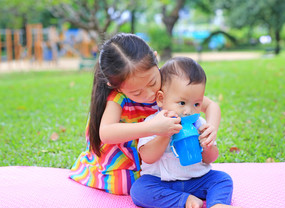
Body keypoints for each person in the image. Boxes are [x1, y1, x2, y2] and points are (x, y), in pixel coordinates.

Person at [69, 33, 221, 195]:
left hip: (156, 152)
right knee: (127, 185)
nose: (149, 94)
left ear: (155, 59)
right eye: (137, 92)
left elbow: (211, 105)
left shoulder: (169, 82)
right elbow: (106, 133)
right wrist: (152, 128)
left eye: (152, 83)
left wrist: (211, 126)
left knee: (176, 176)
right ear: (116, 87)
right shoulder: (118, 99)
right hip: (125, 153)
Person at [130, 57, 235, 208]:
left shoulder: (199, 123)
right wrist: (164, 134)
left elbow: (210, 158)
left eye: (197, 104)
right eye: (182, 103)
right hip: (160, 181)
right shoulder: (153, 123)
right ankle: (184, 200)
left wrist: (207, 145)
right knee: (139, 190)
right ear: (161, 98)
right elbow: (147, 157)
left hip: (197, 179)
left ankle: (218, 204)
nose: (189, 111)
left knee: (222, 179)